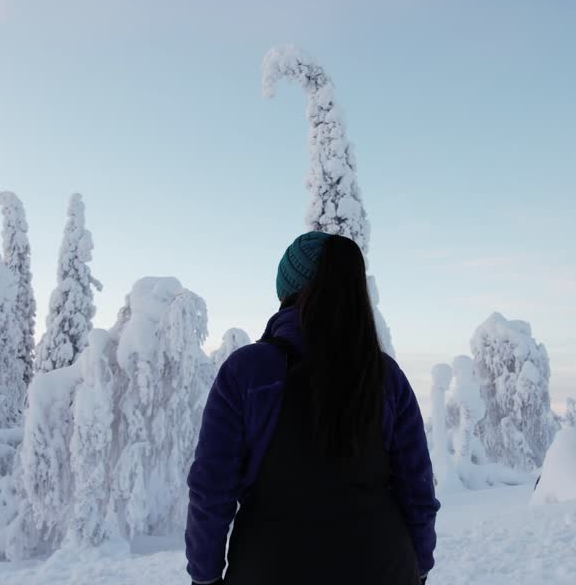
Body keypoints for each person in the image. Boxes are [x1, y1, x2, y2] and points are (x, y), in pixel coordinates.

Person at [186, 232, 440, 585]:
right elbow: (418, 488)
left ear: (286, 290)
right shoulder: (385, 376)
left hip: (271, 567)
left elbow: (211, 490)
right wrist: (420, 564)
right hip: (384, 567)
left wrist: (205, 575)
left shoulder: (248, 371)